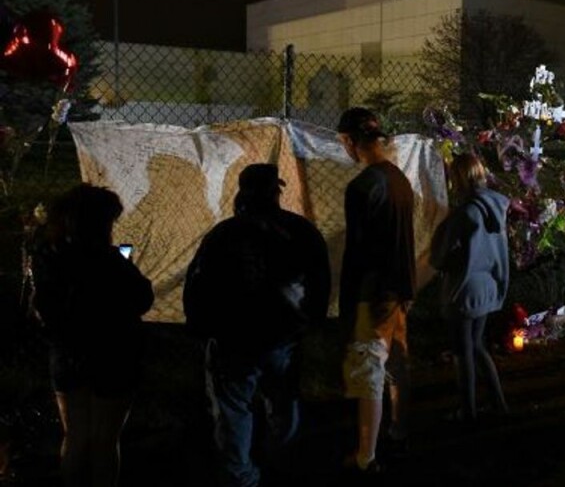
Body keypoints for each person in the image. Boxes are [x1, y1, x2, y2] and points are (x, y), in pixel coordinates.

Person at [183, 163, 331, 487]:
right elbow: (319, 279)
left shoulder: (225, 234)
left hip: (234, 336)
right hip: (284, 334)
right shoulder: (300, 231)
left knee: (234, 406)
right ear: (276, 192)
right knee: (284, 400)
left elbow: (199, 282)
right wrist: (312, 319)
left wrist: (199, 324)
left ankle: (241, 473)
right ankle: (282, 461)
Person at [30, 184, 154, 487]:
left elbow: (44, 307)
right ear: (100, 223)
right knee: (105, 439)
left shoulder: (49, 255)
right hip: (115, 355)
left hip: (68, 355)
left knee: (75, 436)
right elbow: (142, 299)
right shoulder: (109, 261)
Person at [337, 107, 416, 474]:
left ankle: (366, 456)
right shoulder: (399, 179)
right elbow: (406, 239)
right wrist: (409, 288)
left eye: (344, 143)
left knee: (368, 366)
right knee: (397, 361)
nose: (345, 150)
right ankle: (399, 430)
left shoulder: (363, 186)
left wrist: (349, 299)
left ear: (352, 141)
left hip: (374, 289)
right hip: (399, 287)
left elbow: (357, 249)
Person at [430, 152, 510, 422]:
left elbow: (440, 257)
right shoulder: (496, 207)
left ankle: (468, 411)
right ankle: (498, 404)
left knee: (463, 352)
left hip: (463, 289)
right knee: (477, 346)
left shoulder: (464, 213)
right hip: (487, 285)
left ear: (459, 178)